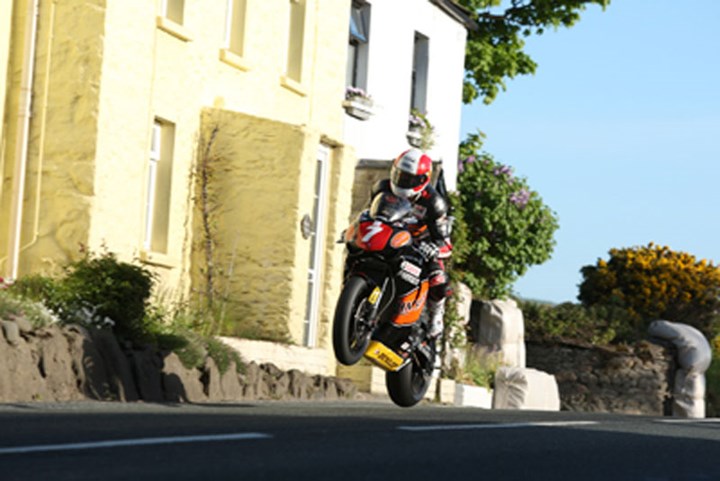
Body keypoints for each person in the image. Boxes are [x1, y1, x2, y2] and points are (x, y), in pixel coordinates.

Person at [370, 148, 452, 338]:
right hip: (390, 236)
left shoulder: (434, 203)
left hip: (420, 245)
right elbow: (369, 214)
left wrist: (434, 249)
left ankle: (435, 316)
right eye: (400, 175)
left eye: (410, 179)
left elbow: (445, 243)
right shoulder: (381, 188)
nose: (403, 182)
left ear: (424, 180)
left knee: (438, 279)